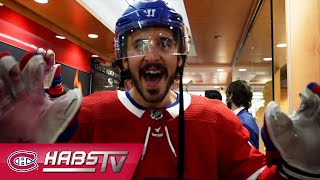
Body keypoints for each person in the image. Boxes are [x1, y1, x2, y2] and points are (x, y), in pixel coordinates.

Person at [0, 0, 319, 179]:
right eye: (139, 44)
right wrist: (19, 156)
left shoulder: (216, 119)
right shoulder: (90, 115)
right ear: (123, 58)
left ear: (180, 54)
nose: (152, 55)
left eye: (164, 43)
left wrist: (298, 173)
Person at [226, 80, 259, 149]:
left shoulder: (241, 122)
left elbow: (247, 154)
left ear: (231, 95)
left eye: (227, 95)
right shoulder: (245, 118)